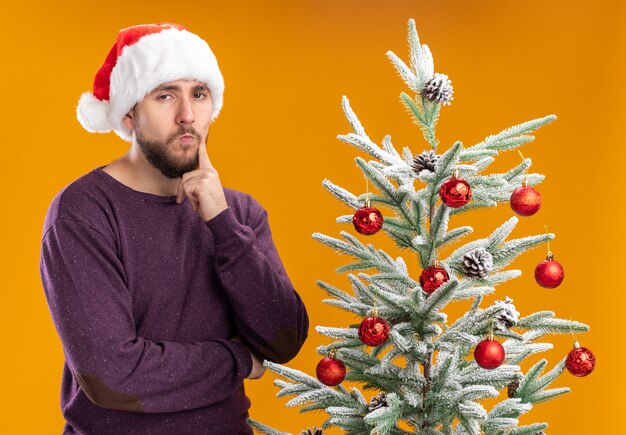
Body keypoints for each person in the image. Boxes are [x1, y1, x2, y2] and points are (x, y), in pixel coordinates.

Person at [39, 23, 309, 435]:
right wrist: (235, 360)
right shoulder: (83, 212)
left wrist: (221, 224)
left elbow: (283, 339)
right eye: (165, 94)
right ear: (129, 112)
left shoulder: (238, 212)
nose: (187, 115)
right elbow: (110, 374)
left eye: (199, 94)